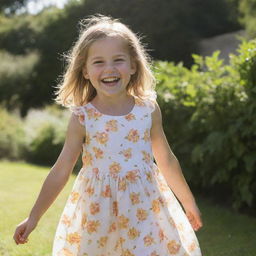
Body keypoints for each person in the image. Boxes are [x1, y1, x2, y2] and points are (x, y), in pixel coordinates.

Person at [13, 14, 203, 256]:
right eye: (99, 62)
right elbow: (61, 169)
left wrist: (188, 202)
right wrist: (33, 216)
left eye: (118, 60)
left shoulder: (148, 110)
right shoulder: (83, 117)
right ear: (85, 71)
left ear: (133, 65)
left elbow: (165, 159)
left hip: (144, 206)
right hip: (97, 212)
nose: (110, 69)